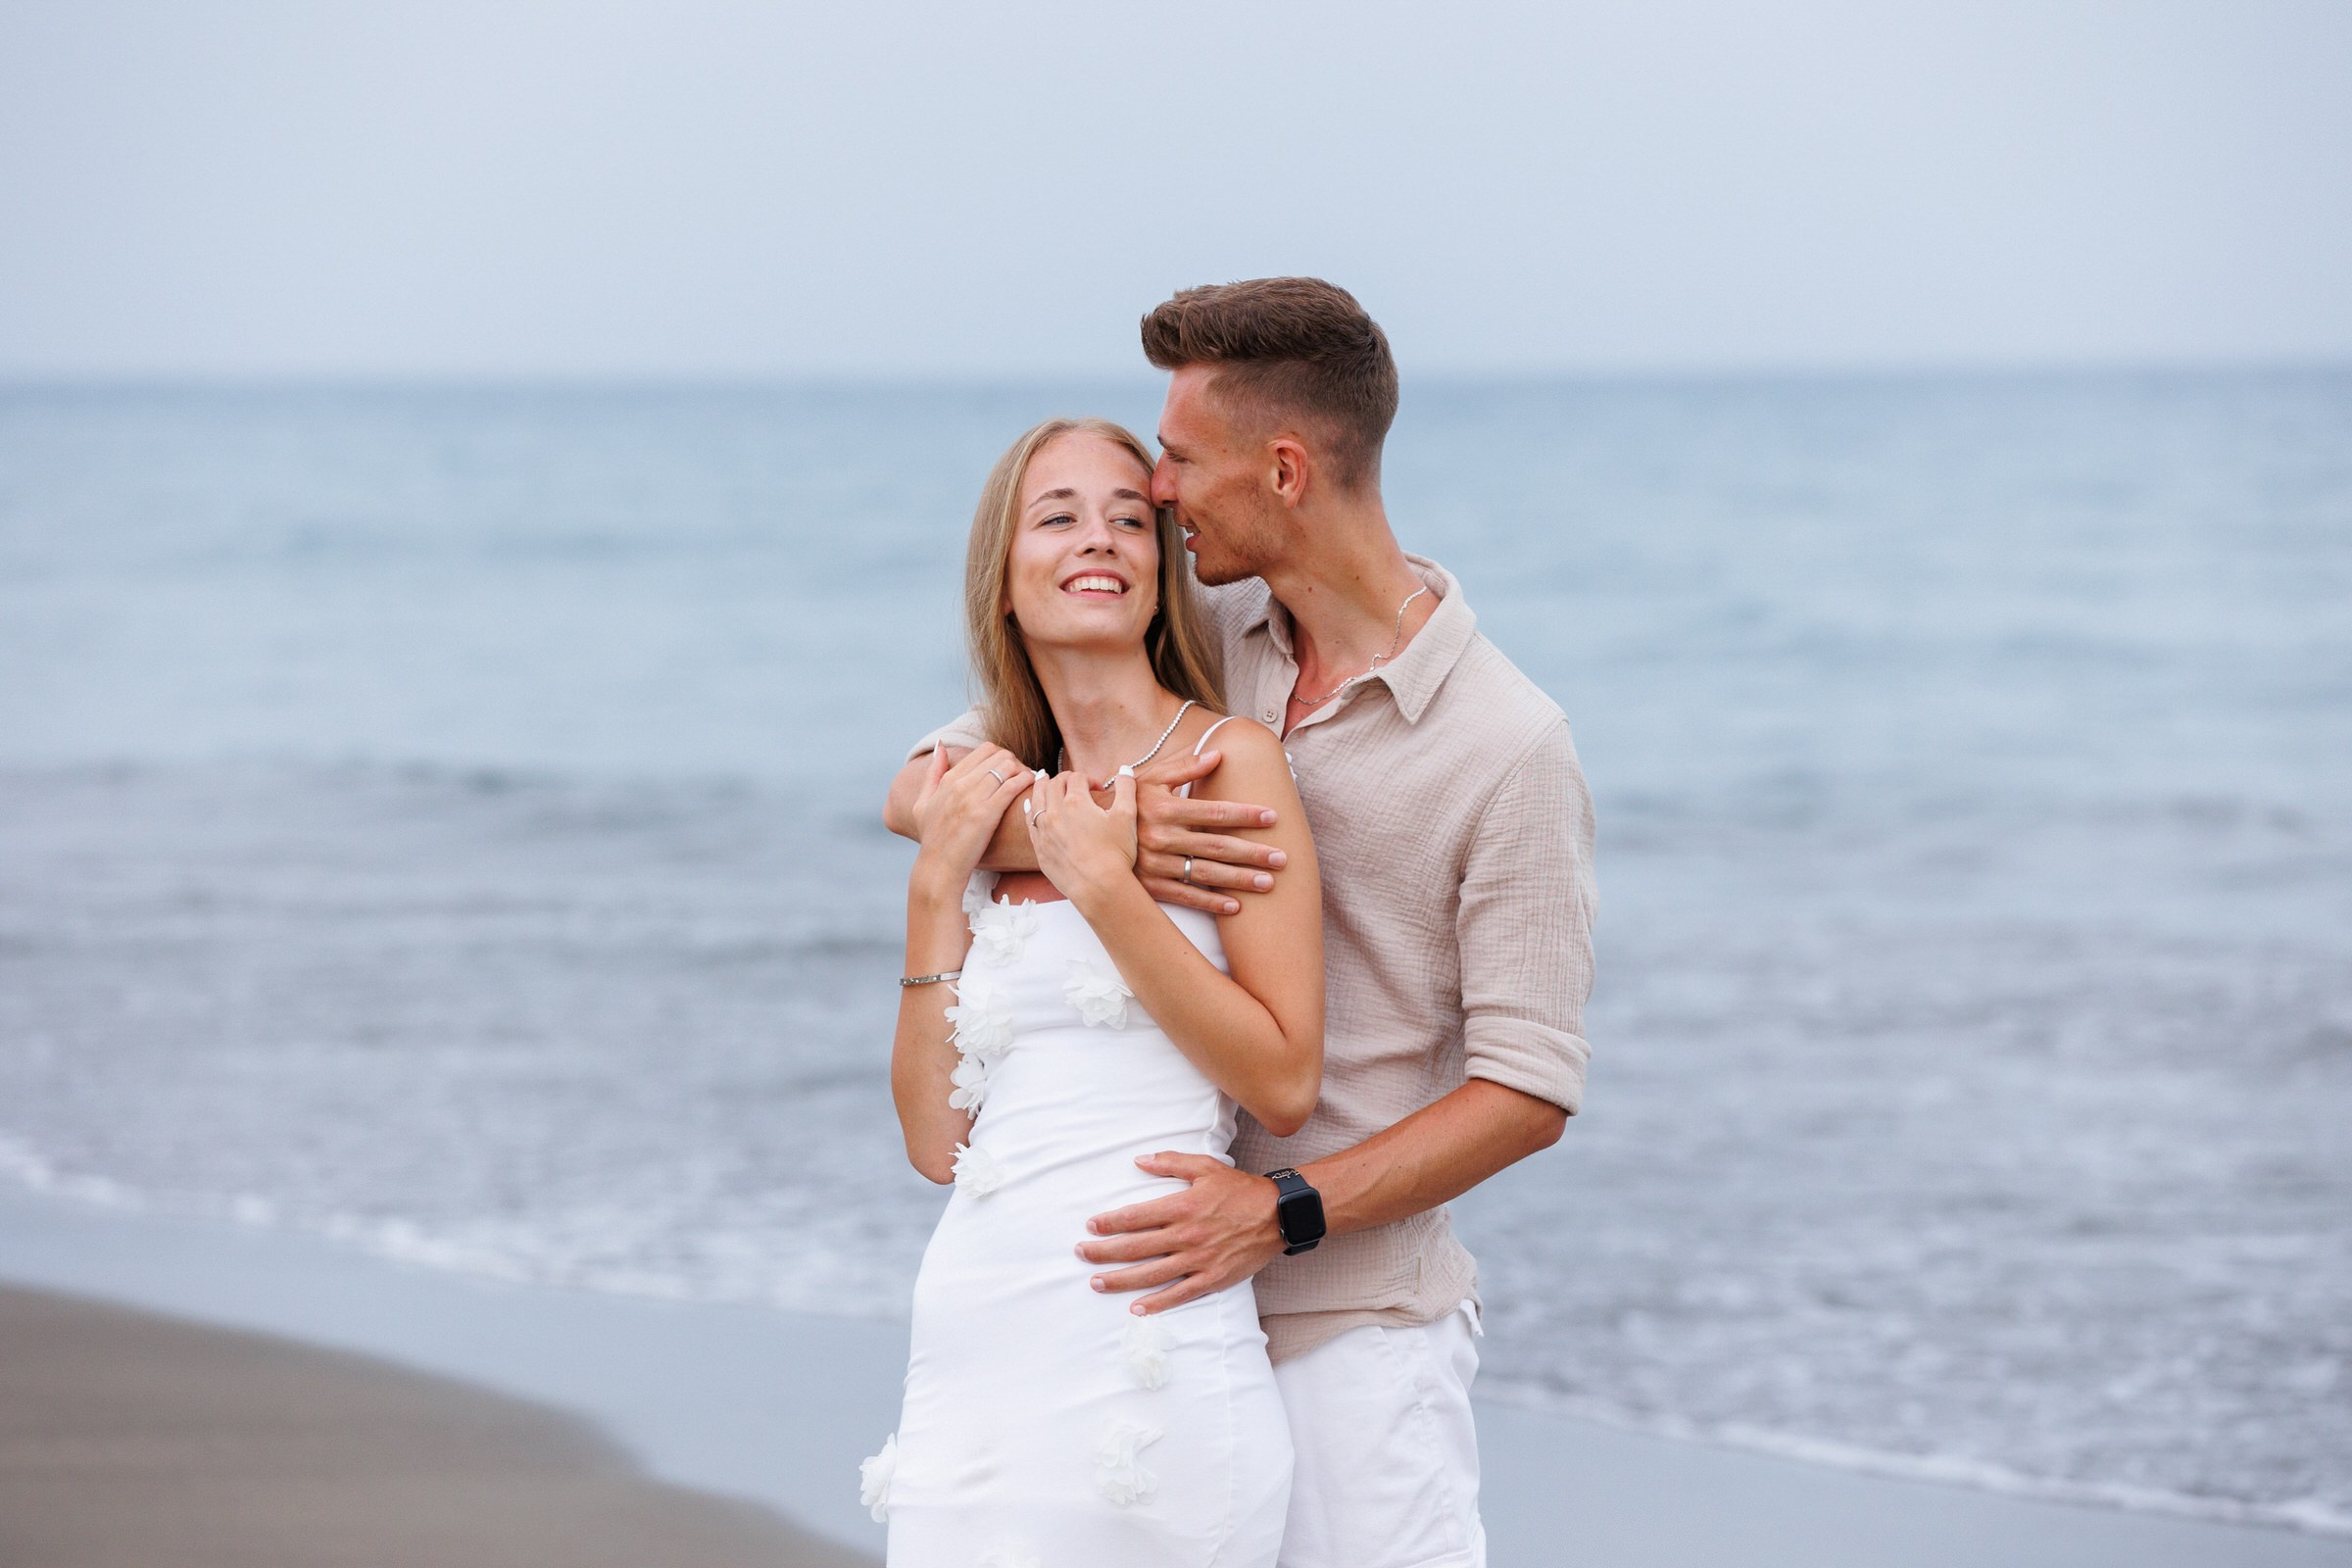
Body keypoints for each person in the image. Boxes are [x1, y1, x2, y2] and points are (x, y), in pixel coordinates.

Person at [885, 278, 1597, 1568]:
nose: (1154, 494)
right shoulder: (1208, 618)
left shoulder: (1508, 743)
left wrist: (1282, 1211)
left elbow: (1529, 1091)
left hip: (1346, 1322)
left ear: (1280, 470)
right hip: (1128, 1307)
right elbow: (922, 787)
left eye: (1174, 460)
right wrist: (1111, 832)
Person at [863, 416, 1325, 1567]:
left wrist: (1105, 885)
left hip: (1145, 1339)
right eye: (1059, 515)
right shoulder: (986, 789)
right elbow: (934, 1140)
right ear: (1004, 580)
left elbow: (1282, 1079)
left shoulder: (1229, 762)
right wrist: (938, 880)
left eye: (1131, 517)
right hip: (978, 1343)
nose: (1101, 538)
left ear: (1164, 580)